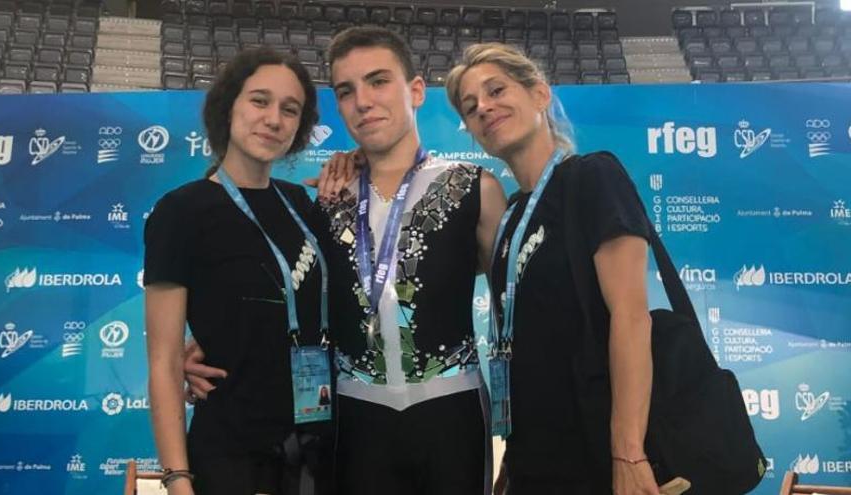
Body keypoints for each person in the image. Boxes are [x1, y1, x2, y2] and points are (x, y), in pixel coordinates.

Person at [185, 27, 507, 495]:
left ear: (416, 91)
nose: (363, 101)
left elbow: (524, 299)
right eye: (346, 91)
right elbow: (274, 292)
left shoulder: (474, 187)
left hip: (453, 410)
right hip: (355, 418)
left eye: (378, 81)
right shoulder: (325, 199)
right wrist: (203, 344)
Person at [444, 43, 660, 495]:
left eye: (496, 90)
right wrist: (515, 463)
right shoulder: (510, 218)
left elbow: (631, 316)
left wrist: (628, 452)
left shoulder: (592, 177)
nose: (484, 107)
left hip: (599, 452)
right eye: (471, 106)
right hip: (539, 460)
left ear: (539, 94)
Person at [144, 47, 334, 495]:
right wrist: (177, 479)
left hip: (319, 450)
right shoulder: (182, 211)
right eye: (259, 101)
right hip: (231, 455)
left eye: (290, 110)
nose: (274, 119)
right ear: (228, 106)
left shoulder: (304, 205)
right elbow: (165, 361)